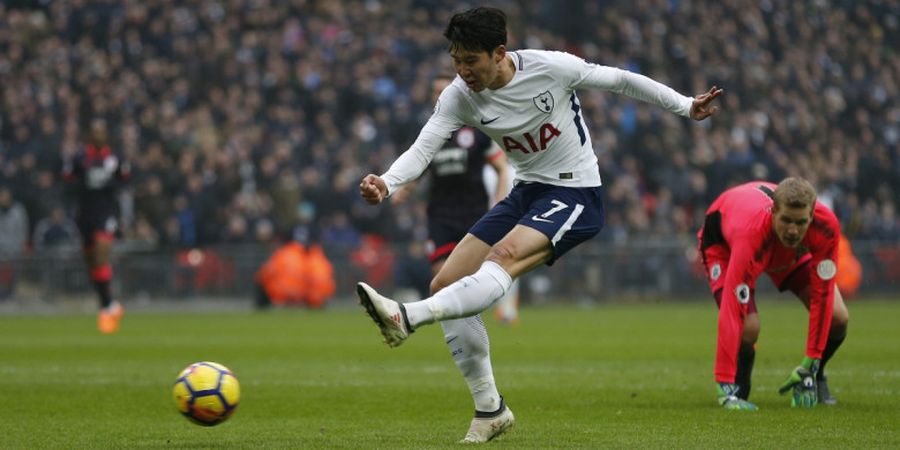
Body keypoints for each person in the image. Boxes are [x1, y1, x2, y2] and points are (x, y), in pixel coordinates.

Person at [355, 6, 723, 443]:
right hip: (527, 192)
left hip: (577, 193)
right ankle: (490, 409)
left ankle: (407, 316)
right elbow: (423, 148)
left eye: (470, 60)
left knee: (503, 257)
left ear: (499, 53)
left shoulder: (550, 67)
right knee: (446, 284)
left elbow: (622, 80)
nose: (462, 70)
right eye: (455, 59)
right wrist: (387, 180)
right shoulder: (458, 96)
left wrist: (685, 105)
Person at [697, 178, 850, 410]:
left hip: (782, 251)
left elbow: (823, 294)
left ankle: (816, 377)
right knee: (749, 328)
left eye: (800, 222)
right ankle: (736, 387)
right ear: (774, 211)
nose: (792, 230)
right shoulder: (750, 234)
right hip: (725, 246)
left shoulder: (826, 226)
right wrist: (723, 385)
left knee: (838, 318)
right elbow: (731, 309)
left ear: (812, 216)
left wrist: (811, 362)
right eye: (786, 220)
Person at [390, 74, 514, 317]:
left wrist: (499, 202)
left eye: (444, 90)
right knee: (441, 277)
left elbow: (502, 167)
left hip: (474, 215)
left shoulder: (477, 129)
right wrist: (404, 189)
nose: (440, 95)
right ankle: (457, 326)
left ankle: (470, 322)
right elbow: (419, 166)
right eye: (435, 91)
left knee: (469, 277)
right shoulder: (431, 133)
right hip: (440, 215)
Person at [63, 118, 131, 334]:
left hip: (107, 211)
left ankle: (105, 310)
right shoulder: (81, 158)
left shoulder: (115, 157)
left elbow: (126, 180)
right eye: (95, 131)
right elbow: (67, 180)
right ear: (90, 135)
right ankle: (109, 303)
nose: (99, 135)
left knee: (102, 254)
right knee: (92, 262)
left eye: (102, 131)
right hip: (85, 213)